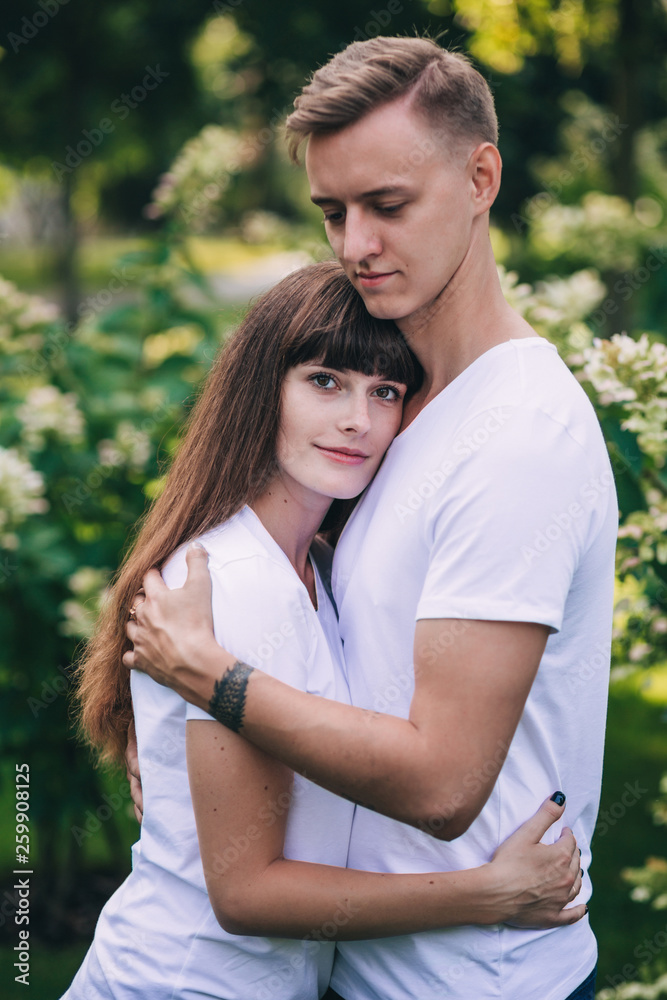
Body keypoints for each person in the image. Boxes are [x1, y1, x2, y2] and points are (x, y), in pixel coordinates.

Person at [125, 36, 617, 1000]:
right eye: (332, 212)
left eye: (387, 206)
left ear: (481, 178)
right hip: (361, 963)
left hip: (477, 979)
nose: (353, 245)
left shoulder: (517, 434)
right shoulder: (394, 405)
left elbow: (442, 785)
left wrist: (214, 681)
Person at [65, 261, 583, 1000]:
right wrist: (487, 892)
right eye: (324, 381)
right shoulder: (240, 583)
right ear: (260, 388)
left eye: (385, 393)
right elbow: (245, 896)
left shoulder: (314, 569)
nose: (358, 421)